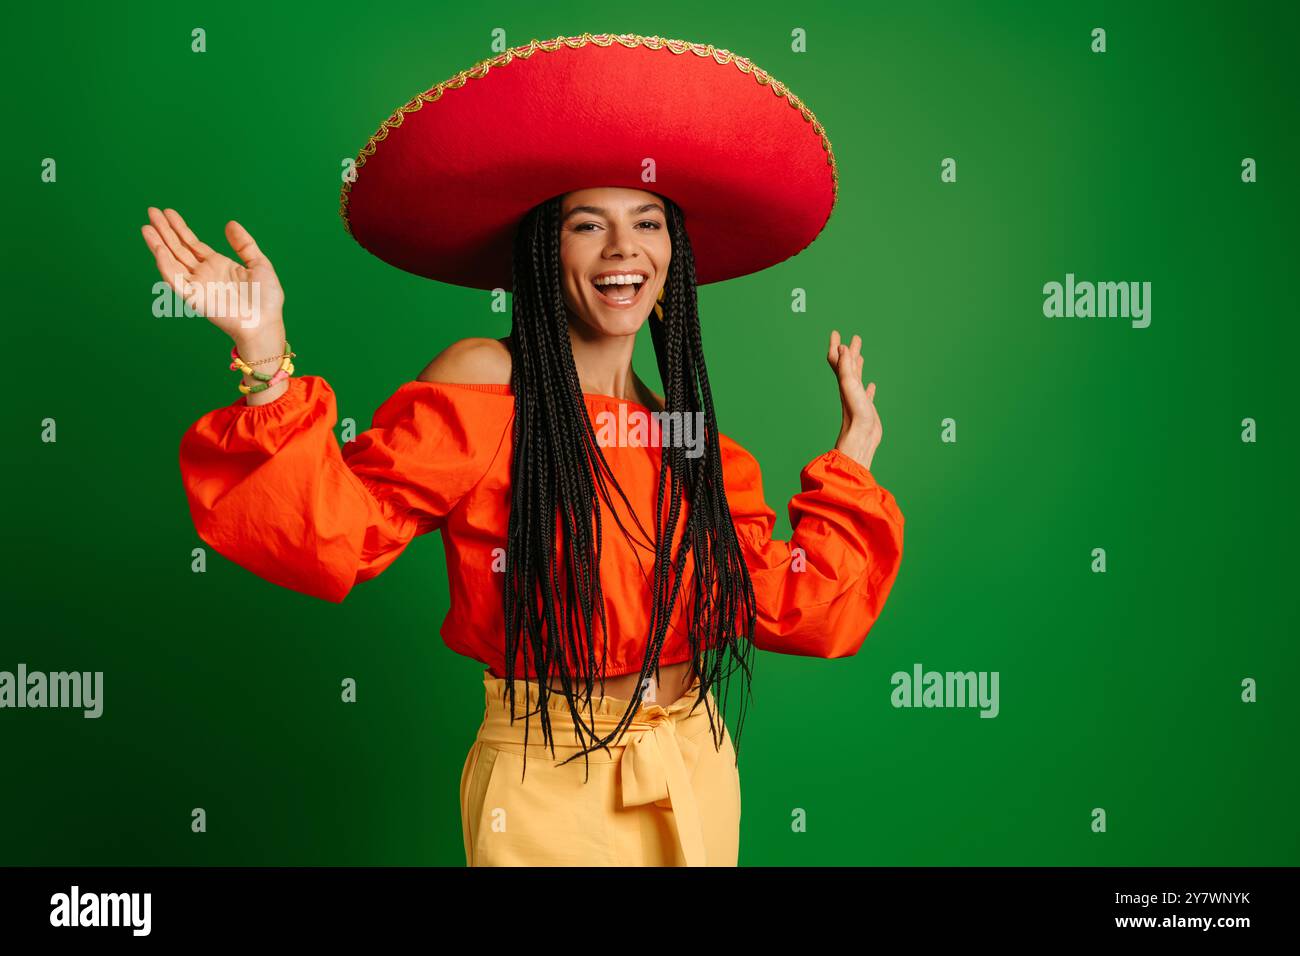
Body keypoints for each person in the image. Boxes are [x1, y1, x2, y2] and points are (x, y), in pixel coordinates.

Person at [142, 33, 905, 867]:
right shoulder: (487, 387)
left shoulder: (694, 446)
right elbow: (330, 532)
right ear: (546, 254)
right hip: (548, 785)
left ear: (672, 259)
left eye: (647, 222)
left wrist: (854, 458)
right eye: (589, 224)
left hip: (695, 765)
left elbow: (795, 607)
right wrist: (263, 354)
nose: (624, 249)